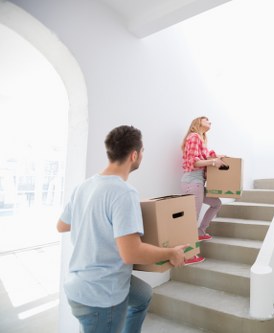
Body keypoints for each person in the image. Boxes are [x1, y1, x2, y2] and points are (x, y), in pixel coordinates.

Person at [56, 125, 187, 333]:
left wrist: (94, 217)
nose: (142, 155)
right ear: (134, 155)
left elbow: (61, 225)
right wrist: (171, 252)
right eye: (142, 151)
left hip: (77, 286)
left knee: (142, 295)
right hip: (101, 297)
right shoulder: (124, 192)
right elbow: (131, 253)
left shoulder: (85, 186)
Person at [181, 116, 226, 265]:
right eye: (206, 120)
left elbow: (203, 157)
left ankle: (201, 231)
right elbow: (194, 162)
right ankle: (188, 256)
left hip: (197, 182)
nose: (210, 122)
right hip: (193, 182)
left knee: (216, 203)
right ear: (197, 122)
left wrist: (216, 156)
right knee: (191, 219)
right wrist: (213, 161)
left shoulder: (200, 140)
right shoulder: (194, 137)